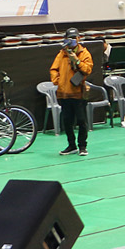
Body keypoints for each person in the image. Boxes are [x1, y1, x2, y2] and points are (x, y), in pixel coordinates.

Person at [49, 27, 94, 156]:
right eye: (70, 38)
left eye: (74, 38)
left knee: (81, 121)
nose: (72, 40)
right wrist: (58, 81)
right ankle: (71, 145)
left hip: (78, 93)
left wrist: (77, 61)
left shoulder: (84, 53)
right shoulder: (61, 53)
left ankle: (82, 146)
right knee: (67, 121)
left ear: (79, 38)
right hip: (64, 93)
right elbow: (53, 69)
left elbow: (88, 70)